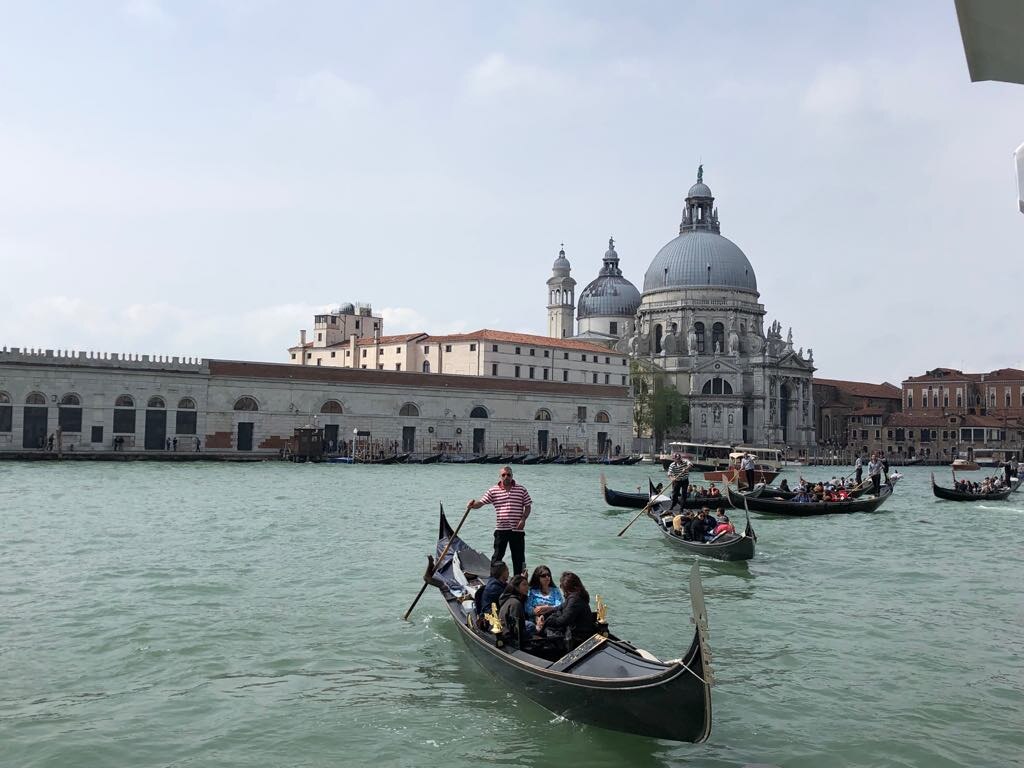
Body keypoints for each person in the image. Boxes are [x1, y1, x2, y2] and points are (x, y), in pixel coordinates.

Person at [467, 467, 532, 576]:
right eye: (503, 475)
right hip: (501, 529)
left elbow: (528, 506)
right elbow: (481, 503)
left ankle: (519, 581)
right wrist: (472, 505)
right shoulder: (493, 490)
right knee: (497, 556)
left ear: (512, 476)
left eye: (508, 475)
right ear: (500, 476)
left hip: (517, 529)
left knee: (519, 558)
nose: (506, 477)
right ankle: (494, 579)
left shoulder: (521, 489)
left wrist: (523, 519)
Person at [536, 572, 596, 652]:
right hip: (580, 631)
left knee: (548, 631)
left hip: (578, 637)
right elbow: (560, 607)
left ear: (566, 587)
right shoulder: (578, 595)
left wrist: (546, 622)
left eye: (561, 586)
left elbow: (563, 620)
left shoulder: (574, 599)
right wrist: (546, 613)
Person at [497, 575, 531, 649]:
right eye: (524, 585)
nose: (527, 587)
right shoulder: (515, 604)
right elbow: (517, 631)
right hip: (511, 640)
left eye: (527, 585)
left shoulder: (507, 598)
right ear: (516, 587)